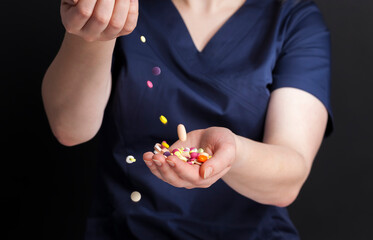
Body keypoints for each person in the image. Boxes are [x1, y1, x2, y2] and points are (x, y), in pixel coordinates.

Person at [42, 0, 333, 239]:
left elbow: (288, 180)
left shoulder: (293, 18)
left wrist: (233, 152)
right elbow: (70, 129)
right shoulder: (123, 5)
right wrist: (92, 32)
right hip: (126, 231)